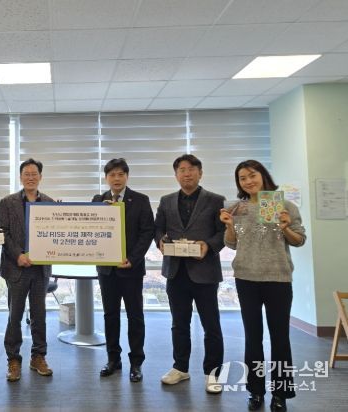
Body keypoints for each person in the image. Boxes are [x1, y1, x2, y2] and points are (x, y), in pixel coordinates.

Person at [220, 160, 305, 412]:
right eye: (242, 178)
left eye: (252, 175)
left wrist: (285, 228)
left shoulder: (284, 205)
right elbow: (232, 243)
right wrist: (229, 225)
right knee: (252, 337)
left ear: (263, 175)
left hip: (277, 278)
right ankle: (255, 391)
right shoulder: (238, 208)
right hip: (246, 278)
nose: (248, 181)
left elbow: (299, 240)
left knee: (280, 338)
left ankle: (281, 393)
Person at [154, 154, 225, 394]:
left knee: (211, 325)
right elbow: (158, 229)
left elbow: (223, 233)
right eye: (182, 170)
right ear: (176, 175)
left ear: (200, 173)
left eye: (192, 169)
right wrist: (160, 241)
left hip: (205, 272)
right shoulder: (166, 201)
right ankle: (180, 367)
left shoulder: (215, 200)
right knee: (179, 324)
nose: (187, 174)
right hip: (176, 272)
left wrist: (208, 246)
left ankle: (212, 373)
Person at [92, 158, 154, 383]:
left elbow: (147, 232)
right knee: (110, 315)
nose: (116, 179)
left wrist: (133, 259)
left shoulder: (140, 200)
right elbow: (91, 229)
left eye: (120, 174)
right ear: (106, 178)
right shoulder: (98, 200)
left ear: (127, 176)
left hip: (131, 269)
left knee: (135, 316)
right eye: (112, 175)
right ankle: (113, 359)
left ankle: (136, 362)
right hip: (106, 270)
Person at [0, 158, 54, 382]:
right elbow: (3, 232)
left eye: (34, 174)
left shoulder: (49, 203)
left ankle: (38, 356)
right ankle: (13, 359)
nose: (30, 177)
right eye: (26, 174)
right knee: (15, 316)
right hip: (16, 267)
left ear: (41, 177)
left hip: (40, 270)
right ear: (20, 177)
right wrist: (18, 255)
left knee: (39, 315)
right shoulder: (7, 202)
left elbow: (54, 234)